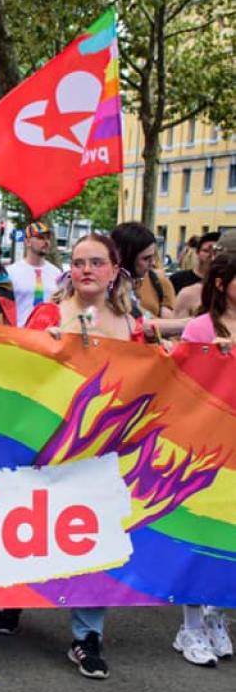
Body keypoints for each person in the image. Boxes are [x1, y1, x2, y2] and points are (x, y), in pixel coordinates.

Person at [0, 234, 140, 681]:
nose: (86, 270)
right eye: (78, 262)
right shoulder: (48, 313)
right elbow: (13, 365)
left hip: (105, 446)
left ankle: (87, 636)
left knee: (94, 534)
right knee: (35, 525)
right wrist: (43, 344)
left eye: (97, 262)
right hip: (50, 441)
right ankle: (16, 593)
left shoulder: (131, 322)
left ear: (115, 269)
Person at [171, 253, 235, 666]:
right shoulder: (201, 327)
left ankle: (216, 615)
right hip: (209, 447)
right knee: (202, 536)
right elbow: (182, 383)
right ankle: (190, 625)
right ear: (221, 283)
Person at [111, 221, 175, 319]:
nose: (153, 263)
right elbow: (142, 323)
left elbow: (143, 316)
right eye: (146, 258)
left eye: (153, 256)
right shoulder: (107, 288)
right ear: (126, 258)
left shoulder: (155, 281)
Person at [6, 222, 61, 326]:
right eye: (40, 237)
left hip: (47, 334)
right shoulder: (11, 273)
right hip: (20, 334)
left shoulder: (56, 274)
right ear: (27, 242)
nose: (46, 242)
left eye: (48, 238)